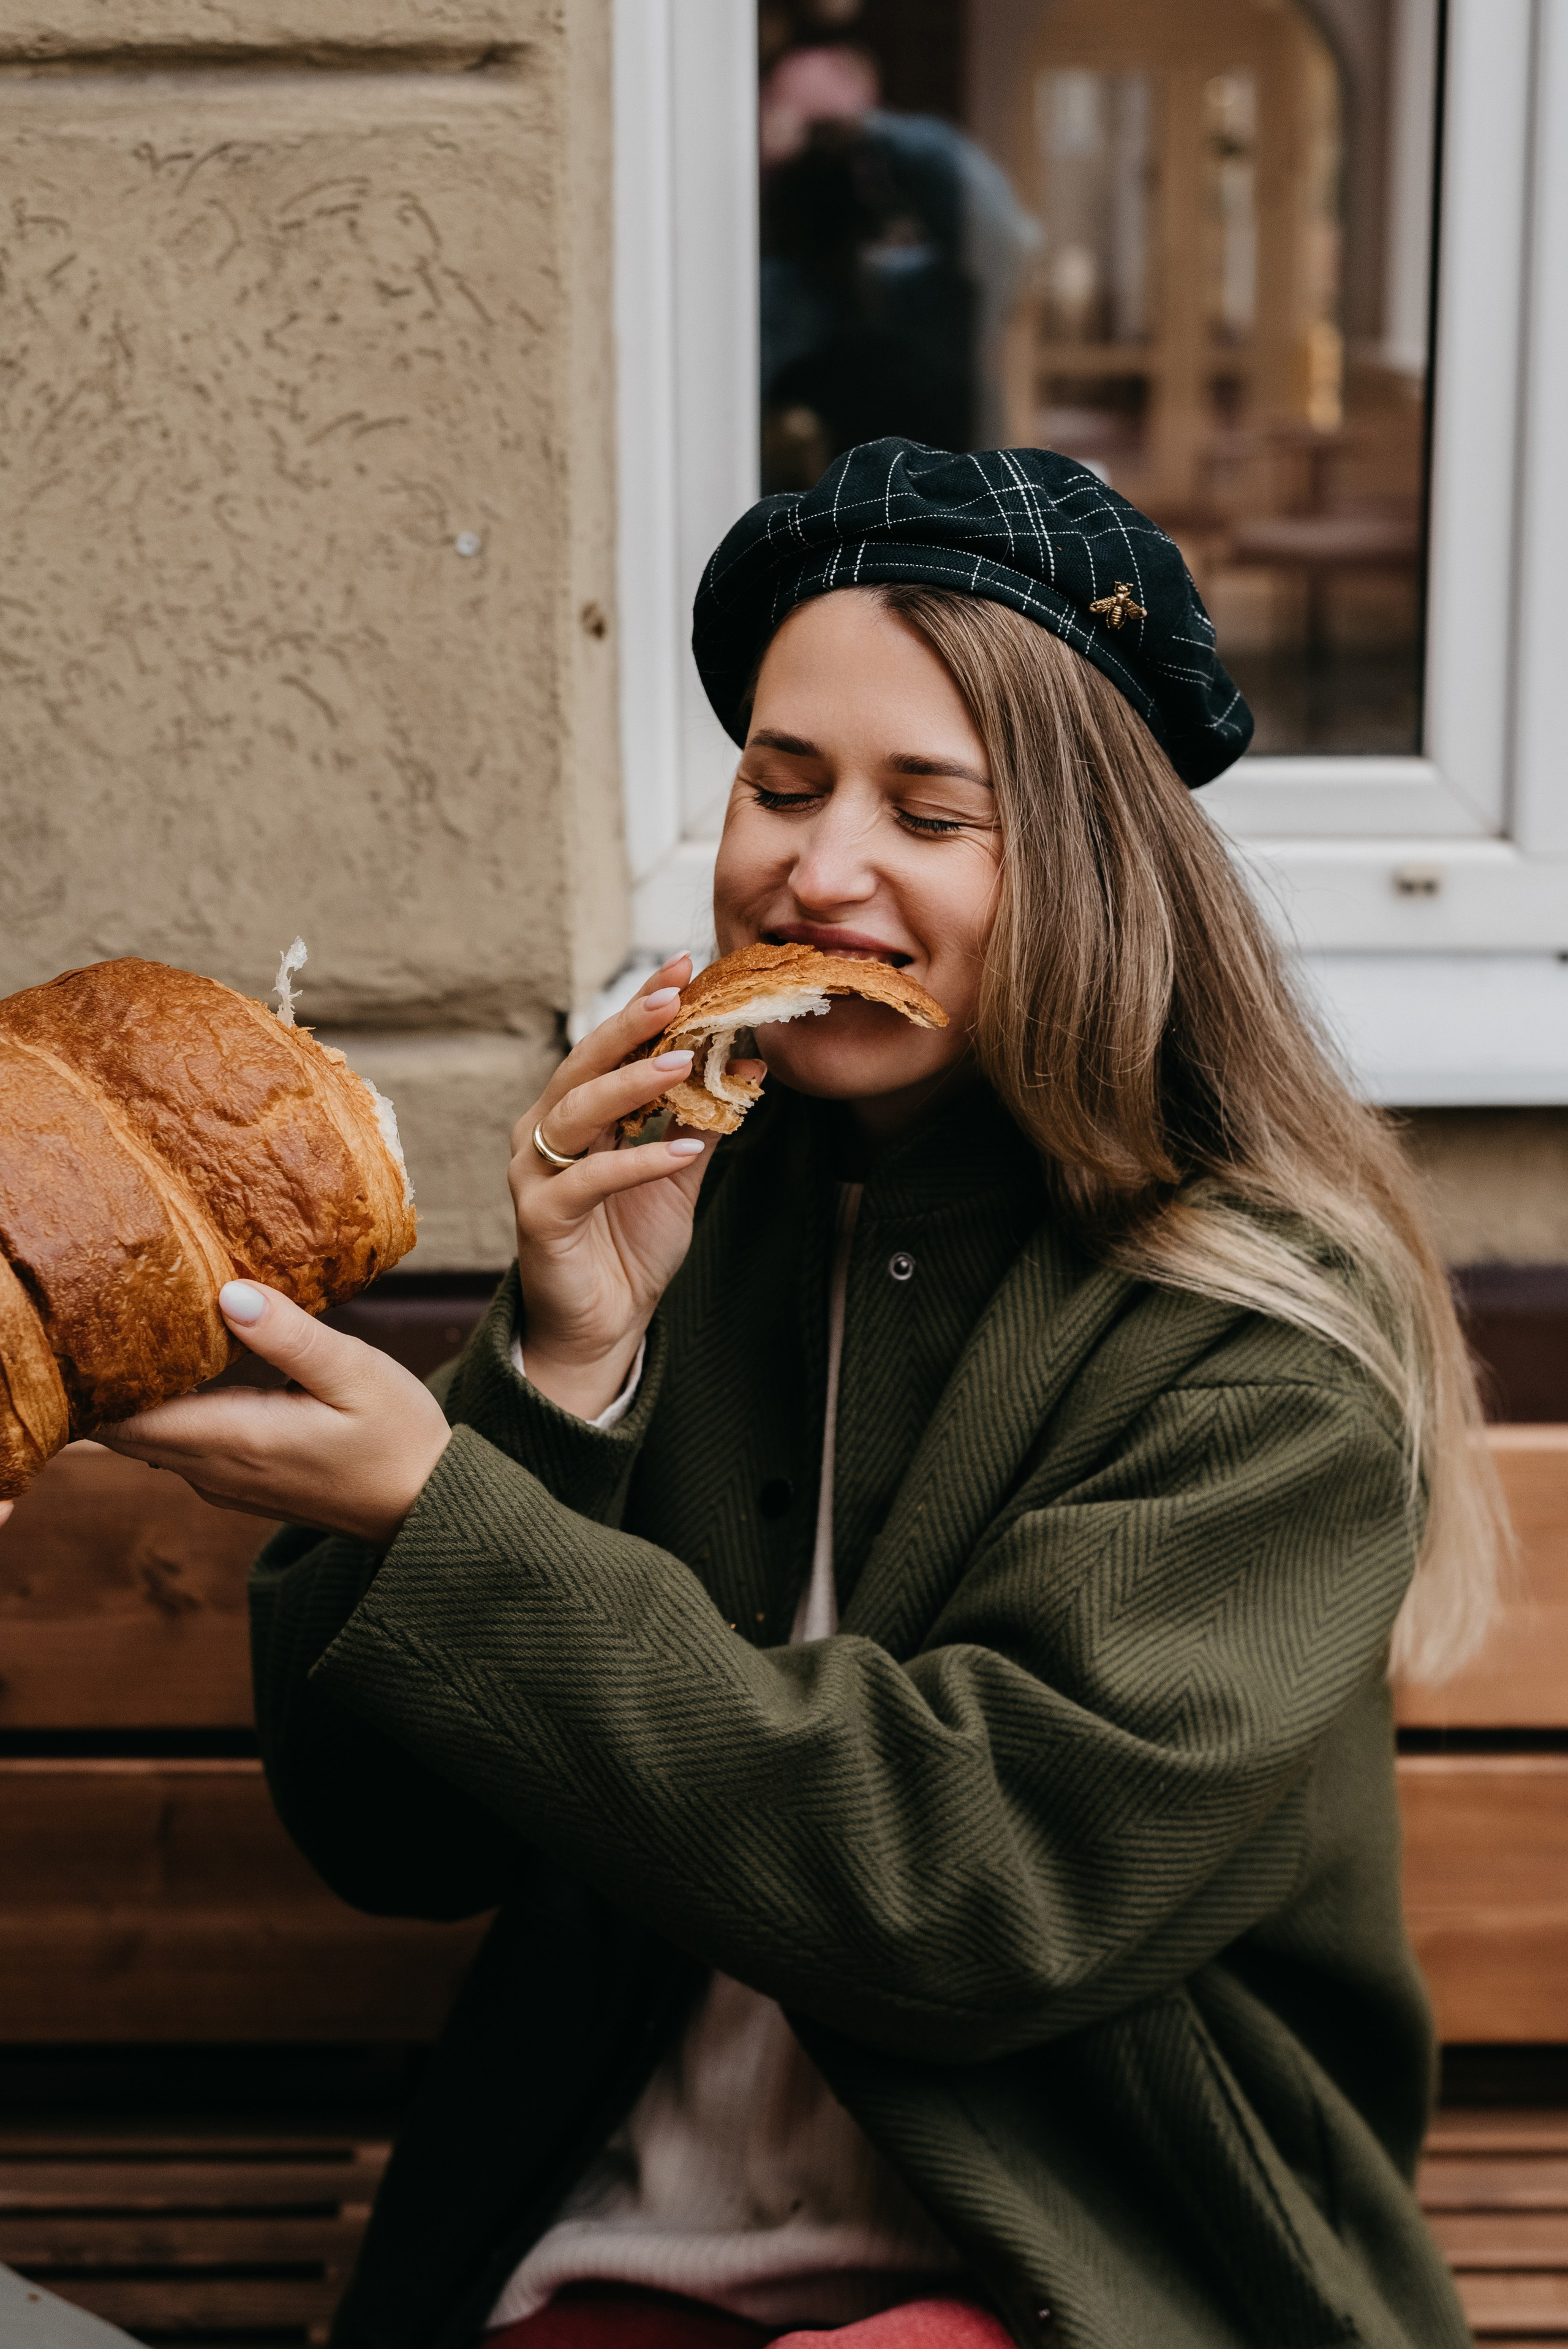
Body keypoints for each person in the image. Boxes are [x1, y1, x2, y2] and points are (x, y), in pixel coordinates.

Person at [84, 441, 1502, 2349]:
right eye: (781, 783)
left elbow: (975, 1892)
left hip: (1088, 2272)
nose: (819, 870)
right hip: (623, 2251)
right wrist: (556, 1372)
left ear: (1090, 869)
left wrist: (448, 1513)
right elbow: (391, 1845)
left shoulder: (1266, 1333)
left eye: (932, 811)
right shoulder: (675, 1205)